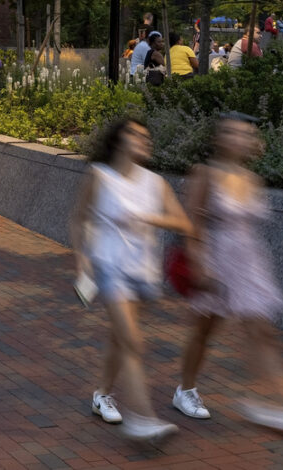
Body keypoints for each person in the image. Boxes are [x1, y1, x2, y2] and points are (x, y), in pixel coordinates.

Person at [174, 114, 283, 433]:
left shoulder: (252, 179)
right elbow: (192, 225)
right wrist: (199, 264)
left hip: (249, 261)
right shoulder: (205, 174)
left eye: (244, 134)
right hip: (216, 258)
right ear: (218, 138)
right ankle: (185, 389)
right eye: (230, 132)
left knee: (262, 331)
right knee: (205, 331)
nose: (237, 138)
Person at [68, 115, 191, 446]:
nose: (144, 140)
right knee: (134, 342)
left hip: (143, 271)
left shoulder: (156, 183)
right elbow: (79, 220)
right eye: (136, 134)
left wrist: (149, 217)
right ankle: (141, 420)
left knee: (121, 340)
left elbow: (183, 224)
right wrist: (82, 260)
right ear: (119, 140)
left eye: (146, 136)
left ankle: (102, 394)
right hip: (109, 267)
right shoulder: (100, 176)